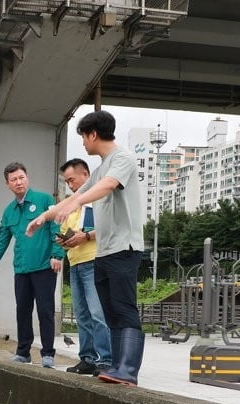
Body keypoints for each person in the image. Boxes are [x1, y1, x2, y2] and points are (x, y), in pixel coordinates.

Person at [27, 110, 145, 386]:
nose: (82, 143)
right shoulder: (103, 165)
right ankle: (115, 365)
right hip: (104, 250)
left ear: (93, 134)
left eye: (83, 137)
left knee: (124, 307)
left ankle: (127, 369)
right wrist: (42, 218)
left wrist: (76, 203)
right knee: (110, 309)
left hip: (124, 247)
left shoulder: (123, 159)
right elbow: (74, 197)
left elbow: (107, 186)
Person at [0, 161, 64, 368]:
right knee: (22, 310)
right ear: (8, 184)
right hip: (21, 269)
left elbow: (56, 226)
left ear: (27, 178)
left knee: (45, 310)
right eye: (13, 179)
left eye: (21, 177)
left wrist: (57, 254)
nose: (18, 182)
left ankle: (48, 354)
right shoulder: (8, 212)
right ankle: (23, 352)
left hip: (44, 267)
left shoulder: (43, 200)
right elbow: (1, 242)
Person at [57, 158, 112, 375]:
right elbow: (65, 229)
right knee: (82, 315)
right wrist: (62, 240)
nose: (70, 185)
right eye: (67, 182)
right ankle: (87, 358)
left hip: (95, 260)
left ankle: (106, 360)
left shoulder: (100, 199)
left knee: (98, 313)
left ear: (85, 175)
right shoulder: (72, 205)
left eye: (72, 180)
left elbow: (110, 226)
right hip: (75, 262)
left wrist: (85, 236)